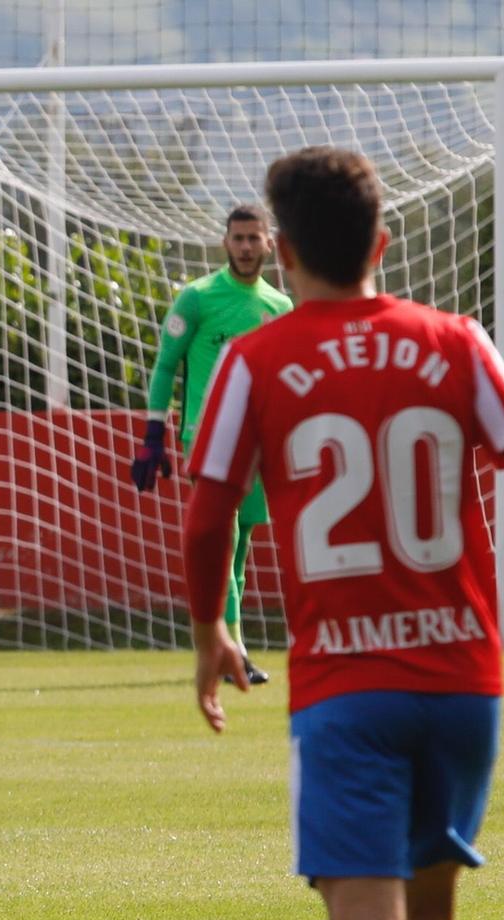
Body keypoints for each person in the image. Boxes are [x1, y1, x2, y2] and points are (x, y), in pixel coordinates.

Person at [183, 146, 504, 920]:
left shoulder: (257, 358)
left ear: (282, 253)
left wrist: (211, 625)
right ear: (382, 242)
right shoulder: (455, 340)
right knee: (432, 916)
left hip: (343, 686)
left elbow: (210, 509)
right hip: (462, 681)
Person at [134, 203, 292, 686]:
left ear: (269, 243)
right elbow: (165, 366)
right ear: (225, 242)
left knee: (240, 546)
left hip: (260, 444)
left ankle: (227, 642)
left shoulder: (280, 307)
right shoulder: (197, 298)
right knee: (221, 541)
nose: (245, 247)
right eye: (238, 238)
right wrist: (153, 435)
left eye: (253, 238)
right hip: (207, 437)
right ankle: (234, 650)